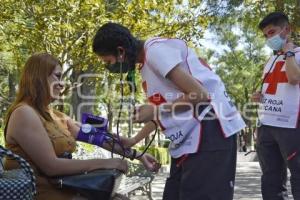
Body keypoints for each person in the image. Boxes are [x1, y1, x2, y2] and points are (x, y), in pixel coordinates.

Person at [92, 22, 246, 200]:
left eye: (108, 62)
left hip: (212, 129)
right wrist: (134, 140)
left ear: (121, 51)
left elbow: (200, 94)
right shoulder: (145, 67)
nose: (108, 67)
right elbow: (164, 112)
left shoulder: (156, 52)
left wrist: (155, 110)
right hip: (189, 138)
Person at [3, 53, 160, 200]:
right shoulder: (24, 113)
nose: (62, 84)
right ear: (38, 77)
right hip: (43, 193)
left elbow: (99, 138)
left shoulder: (56, 115)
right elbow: (52, 166)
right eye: (57, 76)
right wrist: (106, 163)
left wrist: (137, 155)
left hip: (67, 190)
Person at [252, 12, 300, 200]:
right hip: (267, 127)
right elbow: (274, 90)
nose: (269, 38)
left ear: (286, 30)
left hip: (291, 126)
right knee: (271, 179)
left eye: (272, 32)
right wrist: (259, 96)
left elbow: (294, 78)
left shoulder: (296, 55)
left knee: (297, 174)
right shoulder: (270, 61)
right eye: (265, 35)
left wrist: (288, 52)